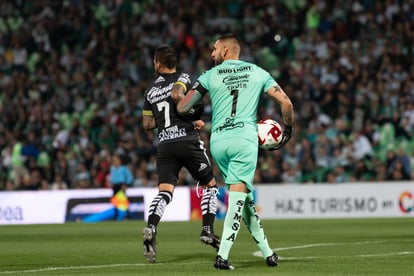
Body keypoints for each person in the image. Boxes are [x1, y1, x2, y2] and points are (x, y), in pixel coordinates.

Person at [173, 33, 295, 269]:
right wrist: (287, 132)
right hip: (244, 140)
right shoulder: (258, 72)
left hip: (218, 142)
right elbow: (287, 104)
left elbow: (183, 106)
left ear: (226, 51)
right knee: (238, 199)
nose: (212, 53)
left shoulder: (209, 75)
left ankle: (268, 252)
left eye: (214, 49)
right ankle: (223, 257)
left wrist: (195, 112)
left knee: (245, 198)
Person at [142, 46, 220, 264]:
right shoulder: (183, 77)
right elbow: (177, 95)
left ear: (158, 63)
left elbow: (148, 124)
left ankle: (151, 226)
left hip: (165, 145)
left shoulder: (149, 91)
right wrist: (189, 117)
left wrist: (169, 120)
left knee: (165, 192)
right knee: (210, 186)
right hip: (186, 141)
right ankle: (207, 230)